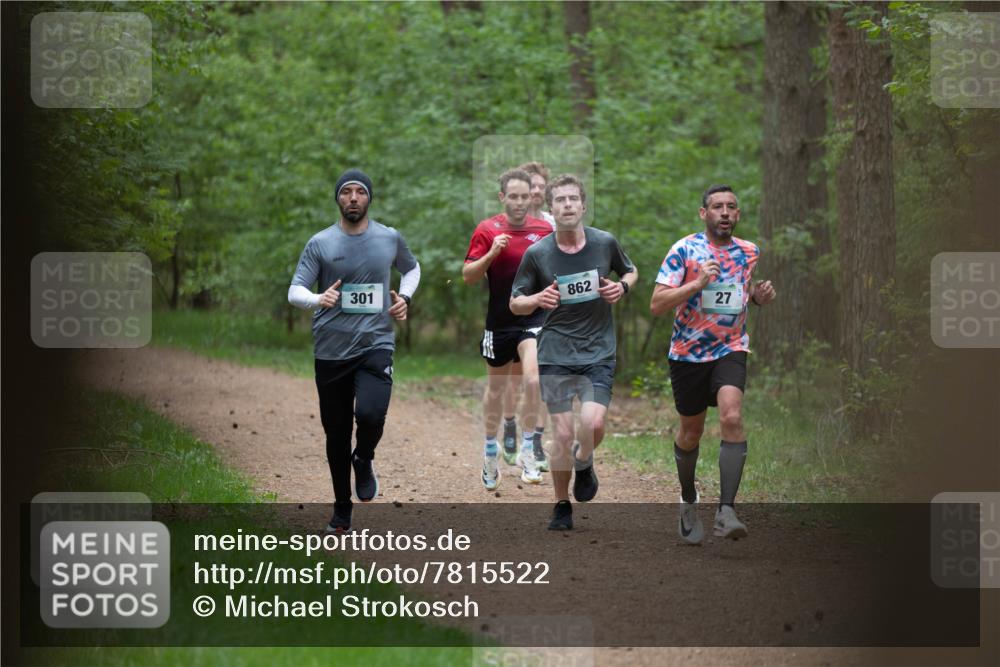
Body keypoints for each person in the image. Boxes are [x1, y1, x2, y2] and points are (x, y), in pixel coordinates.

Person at [288, 168, 420, 533]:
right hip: (331, 349)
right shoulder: (321, 243)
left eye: (359, 191)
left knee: (371, 414)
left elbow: (412, 269)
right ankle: (342, 509)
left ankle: (363, 457)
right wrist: (318, 298)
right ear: (338, 199)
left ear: (368, 198)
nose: (352, 198)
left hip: (376, 342)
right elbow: (295, 290)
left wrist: (404, 297)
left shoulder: (389, 237)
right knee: (336, 433)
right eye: (345, 192)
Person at [649, 184, 775, 544]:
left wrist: (759, 297)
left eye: (731, 207)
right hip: (688, 354)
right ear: (704, 213)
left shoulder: (749, 252)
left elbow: (740, 292)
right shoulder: (684, 250)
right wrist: (697, 283)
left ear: (737, 215)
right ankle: (689, 500)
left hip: (730, 348)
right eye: (717, 206)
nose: (725, 212)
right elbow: (657, 304)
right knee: (691, 434)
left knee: (732, 417)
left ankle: (726, 510)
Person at [510, 174, 637, 530]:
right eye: (560, 200)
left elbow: (631, 271)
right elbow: (516, 303)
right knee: (563, 434)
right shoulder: (538, 254)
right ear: (550, 208)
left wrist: (621, 288)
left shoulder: (603, 243)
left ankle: (584, 461)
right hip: (554, 353)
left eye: (573, 199)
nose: (567, 205)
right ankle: (561, 504)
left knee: (593, 423)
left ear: (583, 205)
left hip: (598, 351)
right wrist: (537, 299)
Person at [463, 168, 553, 489]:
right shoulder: (487, 229)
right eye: (512, 196)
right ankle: (490, 449)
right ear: (502, 198)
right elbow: (468, 276)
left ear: (532, 197)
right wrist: (492, 253)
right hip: (499, 322)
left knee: (533, 378)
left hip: (534, 320)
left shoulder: (544, 230)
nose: (518, 202)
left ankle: (528, 448)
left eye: (524, 197)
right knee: (497, 391)